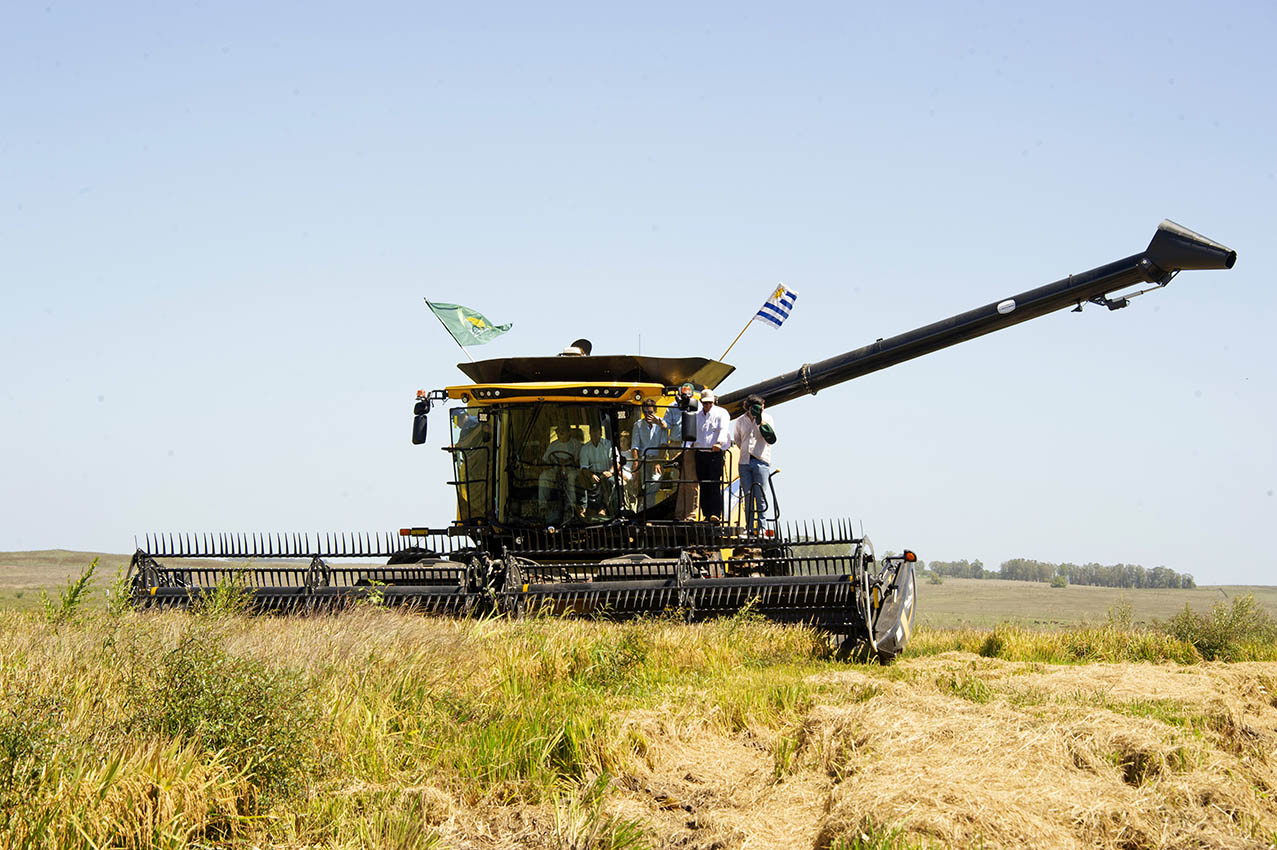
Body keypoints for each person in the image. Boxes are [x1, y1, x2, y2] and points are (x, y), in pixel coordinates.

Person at [731, 394, 777, 533]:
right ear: (750, 407)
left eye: (762, 406)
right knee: (748, 495)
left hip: (761, 460)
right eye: (759, 406)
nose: (762, 408)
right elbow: (738, 440)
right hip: (744, 461)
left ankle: (762, 527)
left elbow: (770, 438)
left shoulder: (767, 418)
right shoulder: (740, 421)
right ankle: (750, 527)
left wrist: (760, 420)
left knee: (760, 495)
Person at [692, 388, 731, 521]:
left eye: (709, 403)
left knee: (714, 483)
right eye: (705, 403)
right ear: (701, 402)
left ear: (714, 401)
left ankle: (716, 514)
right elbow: (692, 434)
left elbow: (723, 429)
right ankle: (706, 514)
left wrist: (719, 443)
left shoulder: (721, 413)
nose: (707, 405)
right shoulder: (696, 416)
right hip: (701, 453)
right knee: (703, 484)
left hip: (714, 454)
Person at [630, 398, 672, 513]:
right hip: (643, 459)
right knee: (644, 485)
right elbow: (635, 446)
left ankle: (643, 510)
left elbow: (664, 444)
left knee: (653, 483)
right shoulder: (638, 425)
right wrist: (636, 463)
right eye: (646, 412)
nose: (648, 415)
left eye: (651, 412)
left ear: (655, 412)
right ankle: (648, 514)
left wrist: (658, 461)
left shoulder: (662, 424)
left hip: (657, 458)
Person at [537, 425, 581, 519]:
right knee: (543, 476)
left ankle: (571, 506)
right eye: (558, 432)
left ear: (569, 432)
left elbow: (579, 461)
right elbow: (546, 459)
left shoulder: (576, 444)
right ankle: (543, 507)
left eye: (562, 431)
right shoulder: (553, 445)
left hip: (571, 469)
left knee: (571, 477)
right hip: (556, 468)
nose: (559, 433)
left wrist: (567, 462)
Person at [578, 421, 618, 517]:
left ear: (600, 433)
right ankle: (583, 508)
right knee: (579, 479)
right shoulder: (585, 448)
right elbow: (583, 467)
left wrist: (611, 472)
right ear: (589, 433)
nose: (595, 434)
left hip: (606, 472)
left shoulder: (609, 445)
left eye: (597, 432)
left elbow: (617, 461)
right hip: (591, 473)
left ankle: (604, 508)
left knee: (611, 482)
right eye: (592, 432)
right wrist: (590, 475)